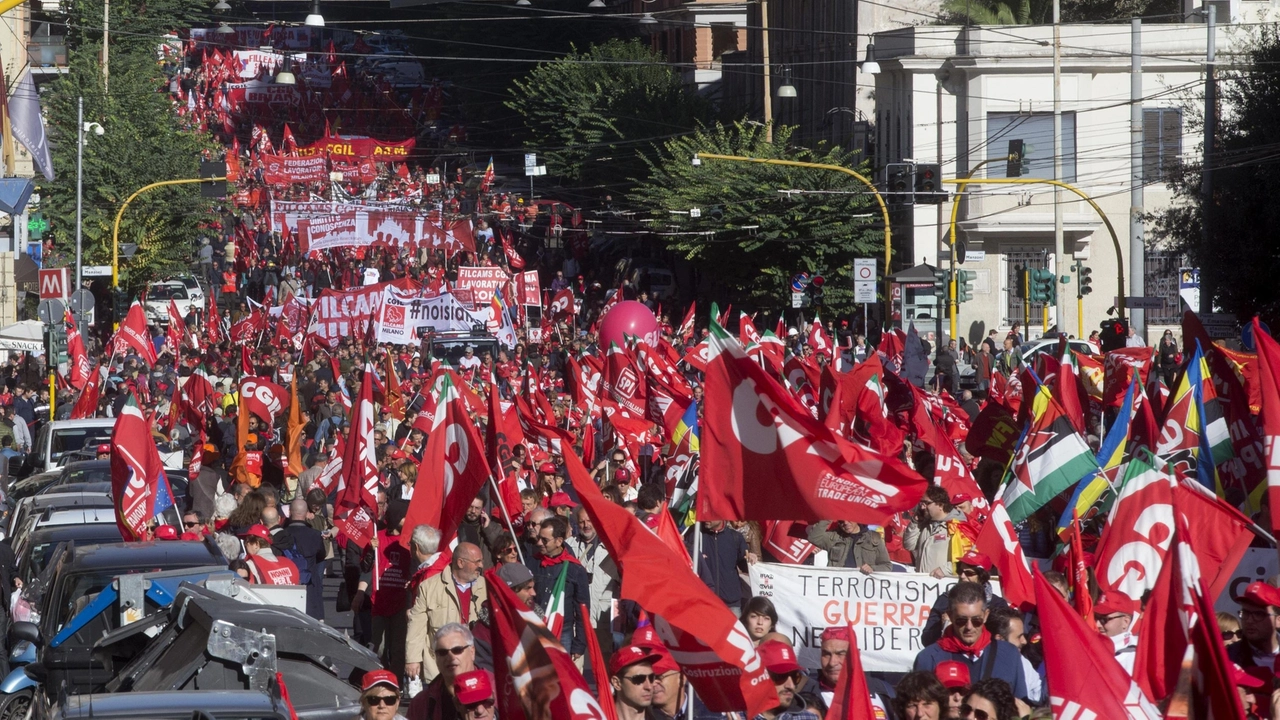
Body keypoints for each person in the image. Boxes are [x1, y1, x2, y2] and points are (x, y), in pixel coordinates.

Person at [912, 582, 1027, 700]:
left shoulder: (1009, 655)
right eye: (961, 620)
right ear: (950, 616)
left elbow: (1020, 708)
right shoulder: (928, 658)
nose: (969, 627)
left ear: (986, 615)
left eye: (976, 620)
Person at [406, 543, 487, 682]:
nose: (481, 565)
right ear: (460, 563)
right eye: (477, 561)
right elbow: (416, 626)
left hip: (476, 664)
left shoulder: (487, 587)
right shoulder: (428, 587)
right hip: (440, 667)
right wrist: (412, 659)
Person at [528, 516, 591, 665]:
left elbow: (582, 610)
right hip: (535, 629)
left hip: (563, 631)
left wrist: (579, 644)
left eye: (545, 540)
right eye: (539, 538)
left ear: (559, 541)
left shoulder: (575, 569)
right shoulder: (531, 563)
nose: (539, 543)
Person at [798, 626, 893, 717]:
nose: (832, 663)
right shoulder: (804, 697)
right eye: (826, 654)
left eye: (840, 654)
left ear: (856, 655)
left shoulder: (882, 690)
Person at [922, 551, 1008, 645]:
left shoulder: (997, 605)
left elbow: (1003, 639)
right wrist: (944, 626)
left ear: (982, 576)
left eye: (969, 573)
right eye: (960, 571)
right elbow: (927, 640)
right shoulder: (945, 600)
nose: (962, 576)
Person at [565, 506, 619, 655]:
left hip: (603, 617)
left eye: (589, 520)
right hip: (578, 617)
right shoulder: (569, 545)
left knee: (605, 662)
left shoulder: (611, 546)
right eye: (582, 521)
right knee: (575, 664)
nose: (586, 525)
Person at [406, 624, 477, 720]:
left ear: (472, 652)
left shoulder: (496, 691)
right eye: (442, 652)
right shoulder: (421, 703)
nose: (450, 657)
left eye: (457, 650)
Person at [687, 520, 754, 615]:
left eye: (711, 515)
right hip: (703, 601)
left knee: (734, 630)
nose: (706, 518)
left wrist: (751, 560)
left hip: (731, 604)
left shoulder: (735, 537)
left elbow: (745, 567)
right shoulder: (695, 533)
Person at [281, 497, 327, 620]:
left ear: (290, 512)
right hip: (310, 585)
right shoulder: (315, 535)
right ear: (306, 514)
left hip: (286, 584)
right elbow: (322, 555)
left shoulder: (281, 535)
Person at [985, 607, 1042, 705]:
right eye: (1019, 637)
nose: (1024, 641)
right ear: (1000, 639)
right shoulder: (980, 661)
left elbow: (1037, 693)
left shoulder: (1023, 663)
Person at [902, 487, 963, 578]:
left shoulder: (957, 526)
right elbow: (909, 545)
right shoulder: (924, 524)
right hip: (924, 584)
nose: (922, 507)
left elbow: (965, 558)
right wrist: (915, 522)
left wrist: (946, 570)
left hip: (944, 584)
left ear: (940, 505)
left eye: (927, 503)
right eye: (922, 503)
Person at [754, 640, 821, 720]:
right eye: (781, 676)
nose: (791, 686)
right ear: (759, 677)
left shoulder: (809, 718)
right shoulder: (737, 716)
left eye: (795, 677)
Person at [806, 520, 891, 573]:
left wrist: (872, 568)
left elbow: (887, 566)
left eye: (849, 520)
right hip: (837, 587)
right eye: (841, 521)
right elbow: (813, 537)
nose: (846, 523)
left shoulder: (874, 538)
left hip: (863, 589)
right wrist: (828, 516)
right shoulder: (834, 536)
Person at [1230, 581, 1280, 669]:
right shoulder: (1228, 658)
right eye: (1245, 613)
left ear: (1278, 620)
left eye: (1259, 614)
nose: (1249, 620)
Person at [610, 645, 661, 720]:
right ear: (617, 683)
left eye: (651, 678)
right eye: (639, 679)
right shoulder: (598, 716)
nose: (649, 686)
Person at [1094, 593, 1138, 674]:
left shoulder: (1138, 659)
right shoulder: (1090, 651)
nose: (1097, 624)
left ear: (1125, 622)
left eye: (1104, 619)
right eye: (1096, 618)